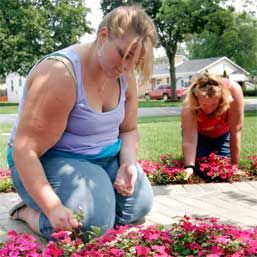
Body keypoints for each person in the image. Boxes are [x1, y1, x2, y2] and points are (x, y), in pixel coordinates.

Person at [7, 5, 158, 240]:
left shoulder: (124, 75)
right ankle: (27, 211)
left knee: (138, 205)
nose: (127, 67)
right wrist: (52, 206)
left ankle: (98, 202)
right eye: (124, 54)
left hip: (103, 158)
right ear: (104, 35)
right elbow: (24, 150)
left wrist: (128, 163)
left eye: (135, 61)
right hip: (48, 160)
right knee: (90, 225)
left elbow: (128, 129)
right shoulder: (60, 74)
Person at [181, 73, 244, 178]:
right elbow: (189, 139)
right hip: (199, 134)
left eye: (214, 104)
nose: (209, 109)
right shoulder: (189, 101)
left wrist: (234, 165)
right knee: (201, 167)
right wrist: (189, 167)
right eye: (204, 104)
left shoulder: (233, 90)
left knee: (223, 166)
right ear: (197, 98)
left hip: (223, 134)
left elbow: (236, 129)